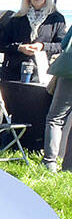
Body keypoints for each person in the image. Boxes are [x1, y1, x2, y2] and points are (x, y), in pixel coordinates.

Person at [0, 0, 66, 82]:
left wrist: (43, 46)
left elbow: (61, 45)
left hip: (40, 75)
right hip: (12, 74)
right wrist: (20, 47)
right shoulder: (17, 18)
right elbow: (1, 44)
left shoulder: (56, 19)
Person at [41, 26, 72, 171]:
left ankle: (49, 162)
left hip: (69, 72)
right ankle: (69, 167)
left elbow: (64, 44)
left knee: (56, 118)